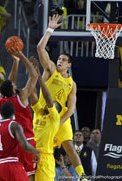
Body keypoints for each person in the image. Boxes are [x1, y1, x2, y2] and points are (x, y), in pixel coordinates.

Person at [36, 14, 85, 178]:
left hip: (60, 116)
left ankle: (82, 175)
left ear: (69, 65)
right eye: (59, 59)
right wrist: (49, 29)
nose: (59, 61)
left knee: (69, 147)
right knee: (39, 148)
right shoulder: (50, 70)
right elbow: (40, 49)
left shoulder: (72, 84)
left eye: (63, 60)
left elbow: (71, 109)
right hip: (43, 114)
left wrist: (59, 123)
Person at [0, 48, 38, 180]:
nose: (15, 83)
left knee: (15, 176)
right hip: (26, 141)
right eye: (14, 84)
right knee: (30, 176)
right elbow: (34, 75)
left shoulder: (2, 101)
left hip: (12, 144)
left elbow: (9, 81)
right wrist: (22, 56)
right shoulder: (21, 97)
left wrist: (15, 62)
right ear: (13, 89)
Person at [0, 101, 40, 181]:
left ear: (1, 113)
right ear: (14, 112)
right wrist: (36, 151)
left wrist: (1, 152)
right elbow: (25, 145)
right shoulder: (14, 125)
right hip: (12, 164)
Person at [29, 57, 61, 180]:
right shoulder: (39, 113)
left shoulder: (54, 118)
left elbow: (47, 98)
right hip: (31, 154)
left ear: (56, 109)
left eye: (54, 104)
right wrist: (32, 73)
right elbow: (32, 93)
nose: (51, 103)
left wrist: (39, 77)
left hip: (45, 157)